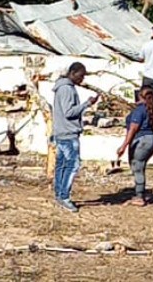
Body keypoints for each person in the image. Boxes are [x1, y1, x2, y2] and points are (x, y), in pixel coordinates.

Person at [52, 62, 99, 212]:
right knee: (72, 165)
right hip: (68, 133)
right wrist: (87, 104)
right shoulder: (66, 89)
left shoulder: (62, 87)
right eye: (81, 75)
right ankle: (64, 196)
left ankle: (59, 194)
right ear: (73, 72)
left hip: (61, 132)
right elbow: (69, 112)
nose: (82, 79)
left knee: (62, 165)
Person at [117, 87, 153, 206]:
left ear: (139, 96)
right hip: (152, 138)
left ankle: (139, 196)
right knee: (141, 166)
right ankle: (140, 192)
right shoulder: (152, 109)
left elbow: (133, 128)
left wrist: (124, 146)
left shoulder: (139, 110)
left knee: (137, 166)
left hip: (141, 140)